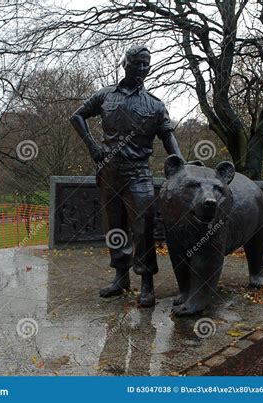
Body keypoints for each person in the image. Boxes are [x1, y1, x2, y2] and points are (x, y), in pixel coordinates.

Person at [70, 45, 184, 307]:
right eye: (138, 64)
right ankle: (121, 278)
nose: (143, 69)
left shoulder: (155, 105)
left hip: (138, 173)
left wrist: (181, 169)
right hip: (108, 172)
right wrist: (92, 147)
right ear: (125, 64)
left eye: (147, 64)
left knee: (142, 228)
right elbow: (76, 116)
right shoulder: (105, 96)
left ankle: (146, 284)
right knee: (114, 226)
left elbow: (168, 137)